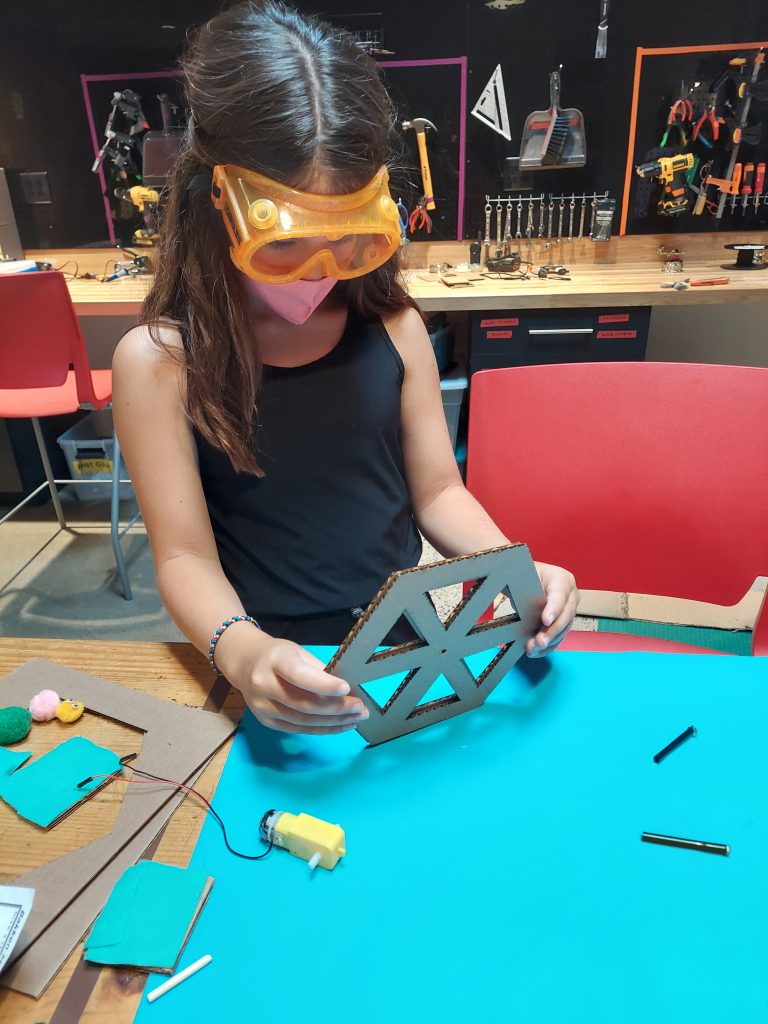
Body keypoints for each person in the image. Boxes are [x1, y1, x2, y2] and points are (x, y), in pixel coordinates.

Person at [113, 0, 579, 737]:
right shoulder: (162, 363)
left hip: (411, 644)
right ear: (219, 205)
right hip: (273, 663)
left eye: (350, 242)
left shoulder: (394, 327)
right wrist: (244, 652)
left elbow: (438, 491)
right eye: (289, 246)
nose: (319, 275)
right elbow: (181, 556)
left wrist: (515, 572)